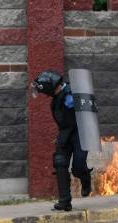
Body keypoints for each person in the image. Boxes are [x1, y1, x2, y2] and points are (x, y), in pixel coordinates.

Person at [31, 71, 92, 211]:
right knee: (59, 162)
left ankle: (85, 176)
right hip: (65, 134)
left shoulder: (73, 93)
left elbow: (90, 108)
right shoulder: (56, 100)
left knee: (78, 167)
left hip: (79, 133)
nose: (44, 94)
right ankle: (64, 202)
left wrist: (77, 101)